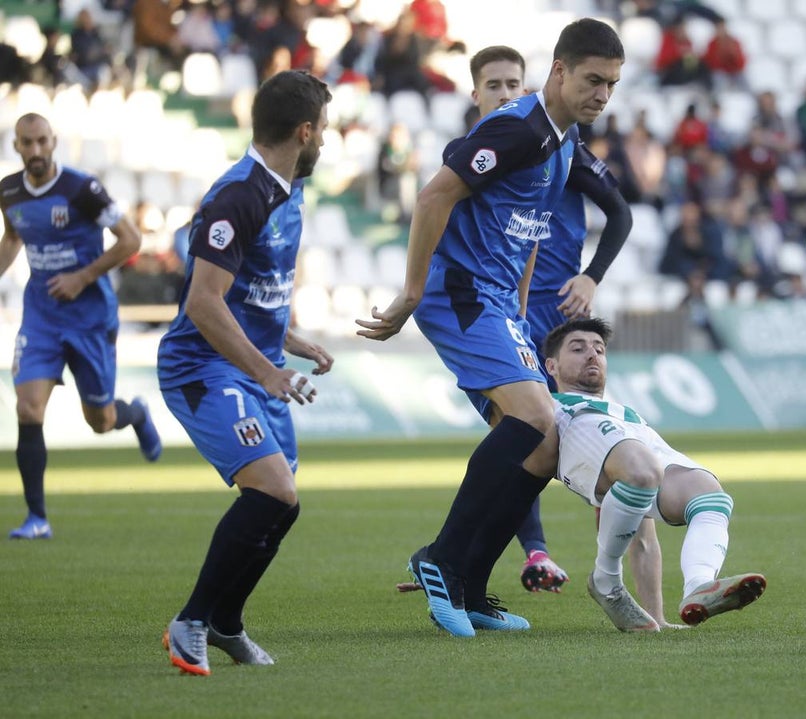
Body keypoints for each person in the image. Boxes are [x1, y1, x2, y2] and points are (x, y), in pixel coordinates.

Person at [356, 19, 626, 637]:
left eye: (611, 84)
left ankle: (471, 586)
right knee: (537, 419)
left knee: (542, 442)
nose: (602, 95)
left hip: (500, 302)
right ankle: (441, 559)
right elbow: (433, 198)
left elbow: (529, 227)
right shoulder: (515, 128)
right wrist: (411, 294)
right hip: (461, 296)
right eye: (592, 80)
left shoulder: (563, 138)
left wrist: (523, 303)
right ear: (558, 71)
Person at [158, 70, 334, 676]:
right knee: (274, 490)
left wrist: (291, 339)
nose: (326, 143)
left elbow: (250, 294)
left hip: (251, 366)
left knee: (284, 505)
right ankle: (190, 622)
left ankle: (227, 624)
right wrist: (267, 372)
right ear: (304, 131)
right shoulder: (237, 196)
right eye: (325, 132)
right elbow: (204, 304)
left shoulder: (291, 189)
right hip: (203, 366)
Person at [543, 317, 767, 631]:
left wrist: (656, 619)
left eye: (599, 349)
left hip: (632, 435)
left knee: (709, 492)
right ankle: (605, 578)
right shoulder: (548, 406)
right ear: (551, 366)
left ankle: (699, 587)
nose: (592, 355)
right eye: (578, 349)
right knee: (642, 474)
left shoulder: (625, 411)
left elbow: (643, 539)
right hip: (582, 426)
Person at [0, 113, 162, 541]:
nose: (34, 151)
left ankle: (136, 413)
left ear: (53, 142)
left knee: (101, 421)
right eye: (26, 143)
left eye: (41, 142)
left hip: (89, 317)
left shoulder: (81, 189)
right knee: (27, 407)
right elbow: (13, 238)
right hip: (41, 316)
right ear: (16, 146)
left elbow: (130, 239)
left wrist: (81, 277)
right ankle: (37, 518)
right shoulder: (9, 191)